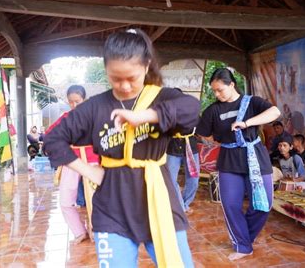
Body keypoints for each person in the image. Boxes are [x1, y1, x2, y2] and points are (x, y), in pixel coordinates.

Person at [44, 28, 197, 267]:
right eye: (116, 78)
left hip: (160, 202)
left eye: (131, 78)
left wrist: (147, 116)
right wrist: (89, 170)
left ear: (146, 66)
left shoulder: (161, 97)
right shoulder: (95, 107)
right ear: (106, 69)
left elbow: (192, 108)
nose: (124, 86)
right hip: (112, 207)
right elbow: (53, 139)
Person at [196, 67, 281, 260]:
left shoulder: (251, 102)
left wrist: (247, 123)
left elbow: (275, 112)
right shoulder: (213, 110)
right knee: (231, 205)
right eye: (214, 91)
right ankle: (243, 246)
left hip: (255, 157)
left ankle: (245, 238)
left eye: (220, 90)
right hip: (229, 159)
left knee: (264, 204)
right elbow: (203, 132)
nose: (217, 94)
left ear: (232, 84)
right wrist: (218, 139)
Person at [46, 84, 95, 243]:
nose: (74, 105)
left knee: (96, 200)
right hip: (71, 161)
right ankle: (79, 231)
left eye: (77, 101)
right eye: (70, 102)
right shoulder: (65, 117)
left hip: (93, 161)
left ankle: (98, 232)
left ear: (84, 99)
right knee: (66, 200)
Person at [166, 130, 200, 214]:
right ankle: (180, 206)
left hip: (190, 145)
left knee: (194, 180)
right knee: (170, 179)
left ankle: (185, 203)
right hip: (172, 145)